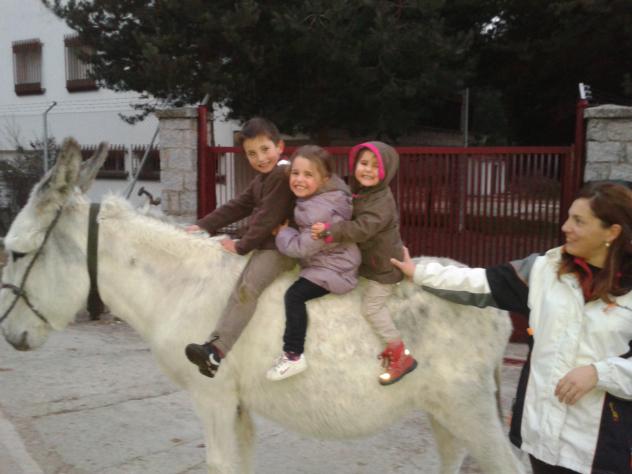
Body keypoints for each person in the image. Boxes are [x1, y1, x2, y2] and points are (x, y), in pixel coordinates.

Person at [391, 182, 632, 474]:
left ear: (612, 232)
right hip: (543, 439)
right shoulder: (545, 270)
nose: (565, 227)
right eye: (569, 217)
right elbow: (479, 282)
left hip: (604, 445)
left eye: (579, 221)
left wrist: (600, 373)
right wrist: (418, 273)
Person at [184, 117, 296, 378]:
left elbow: (267, 218)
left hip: (282, 248)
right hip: (267, 242)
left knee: (247, 288)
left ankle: (217, 351)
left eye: (265, 149)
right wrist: (203, 225)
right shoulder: (262, 179)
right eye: (252, 154)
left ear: (280, 146)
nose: (260, 158)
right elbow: (238, 205)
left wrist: (241, 245)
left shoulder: (281, 175)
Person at [312, 141, 417, 385]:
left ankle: (400, 352)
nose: (368, 170)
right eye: (364, 163)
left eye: (375, 166)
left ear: (386, 171)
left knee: (372, 308)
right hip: (370, 262)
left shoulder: (381, 200)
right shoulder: (361, 192)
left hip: (384, 267)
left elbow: (362, 228)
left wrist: (331, 231)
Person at [267, 145, 361, 381]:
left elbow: (301, 247)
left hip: (334, 269)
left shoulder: (320, 211)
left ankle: (293, 354)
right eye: (295, 173)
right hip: (329, 261)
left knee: (294, 296)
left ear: (324, 179)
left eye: (308, 175)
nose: (299, 179)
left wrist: (283, 233)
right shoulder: (323, 196)